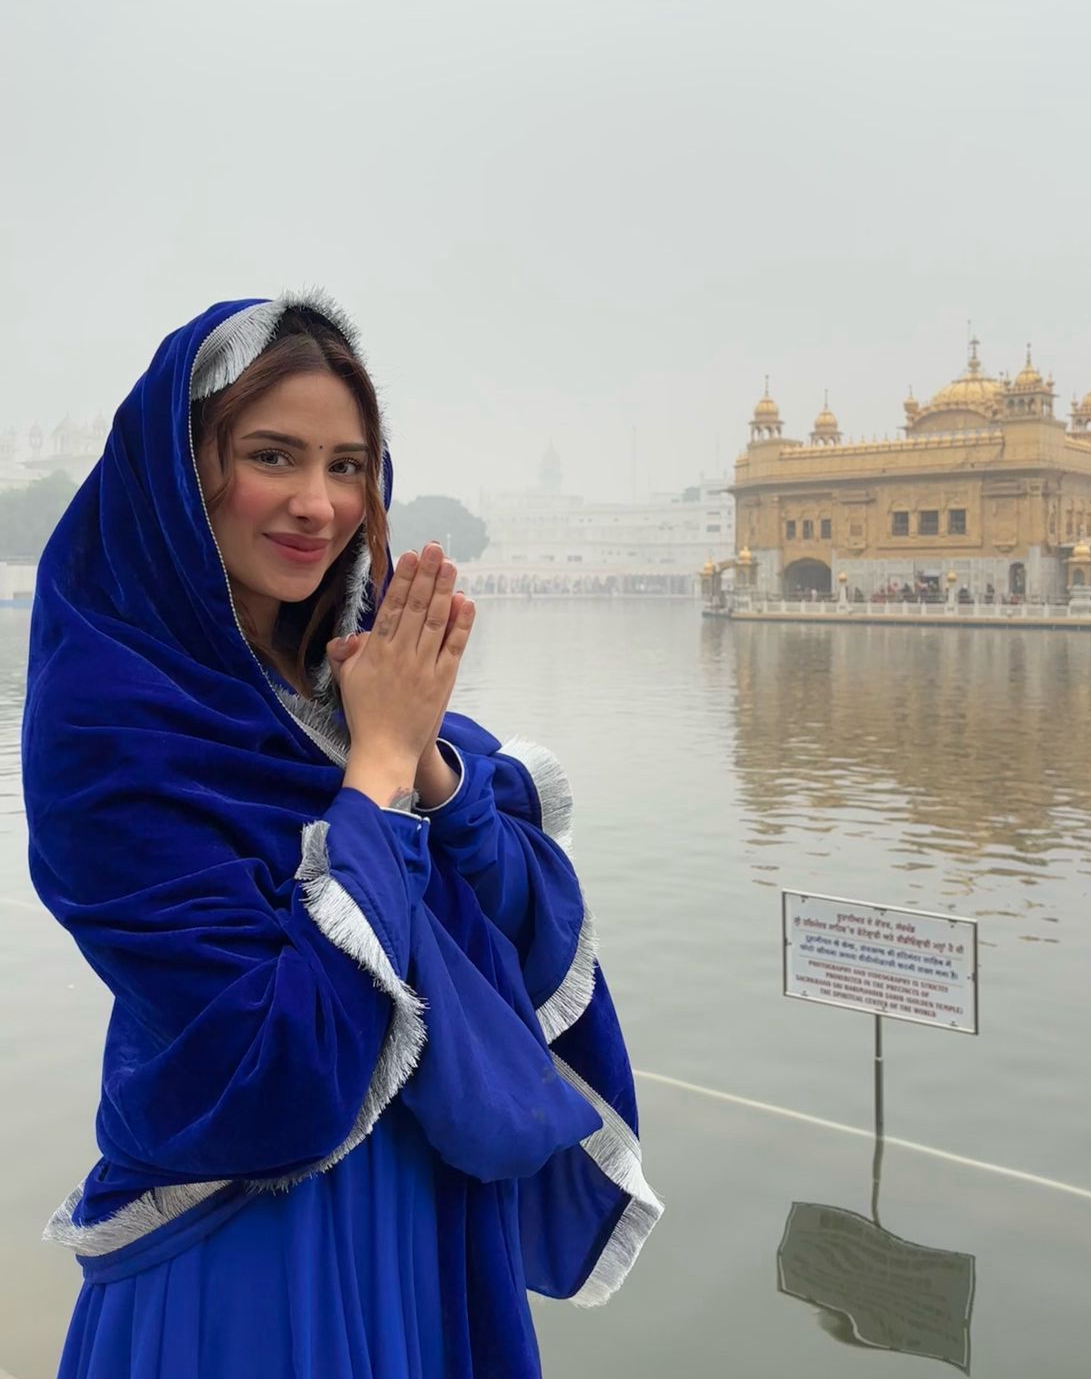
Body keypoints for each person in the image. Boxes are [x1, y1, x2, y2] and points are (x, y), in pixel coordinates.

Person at [22, 292, 661, 1379]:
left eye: (349, 465)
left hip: (423, 1205)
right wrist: (373, 773)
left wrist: (430, 769)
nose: (318, 504)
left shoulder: (343, 680)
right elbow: (273, 1059)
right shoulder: (114, 720)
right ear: (182, 473)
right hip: (250, 1236)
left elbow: (508, 927)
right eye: (272, 455)